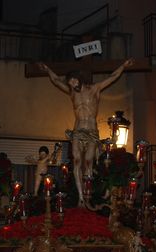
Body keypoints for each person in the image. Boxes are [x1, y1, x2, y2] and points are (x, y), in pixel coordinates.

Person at [38, 58, 134, 205]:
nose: (72, 85)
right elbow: (56, 80)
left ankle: (88, 193)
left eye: (74, 82)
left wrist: (124, 66)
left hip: (91, 131)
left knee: (89, 161)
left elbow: (112, 77)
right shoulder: (72, 93)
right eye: (70, 83)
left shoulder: (95, 89)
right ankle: (81, 197)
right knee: (76, 161)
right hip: (78, 129)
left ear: (79, 79)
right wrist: (47, 69)